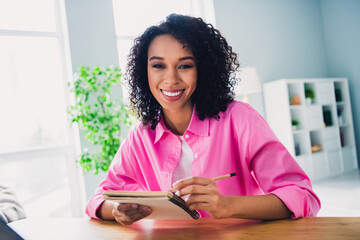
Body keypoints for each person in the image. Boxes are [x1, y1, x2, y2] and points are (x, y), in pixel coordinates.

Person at [85, 14, 321, 225]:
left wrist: (227, 206)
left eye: (185, 65)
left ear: (203, 69)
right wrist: (116, 210)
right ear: (143, 71)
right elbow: (99, 198)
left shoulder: (240, 119)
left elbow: (302, 195)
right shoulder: (141, 135)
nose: (171, 79)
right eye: (158, 65)